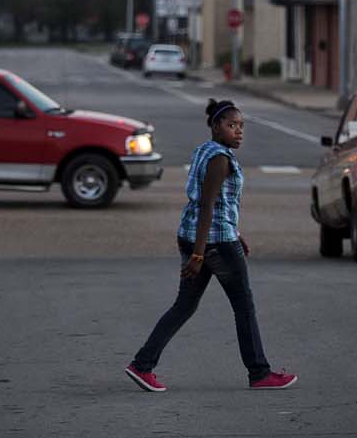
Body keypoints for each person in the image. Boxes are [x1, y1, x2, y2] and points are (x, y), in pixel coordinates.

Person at [125, 98, 297, 392]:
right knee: (244, 306)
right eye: (231, 125)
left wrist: (234, 230)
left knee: (184, 305)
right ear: (216, 126)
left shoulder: (204, 151)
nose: (238, 131)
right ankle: (259, 372)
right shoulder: (220, 158)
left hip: (197, 235)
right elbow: (207, 205)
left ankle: (142, 365)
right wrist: (198, 254)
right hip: (213, 243)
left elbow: (218, 204)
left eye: (241, 126)